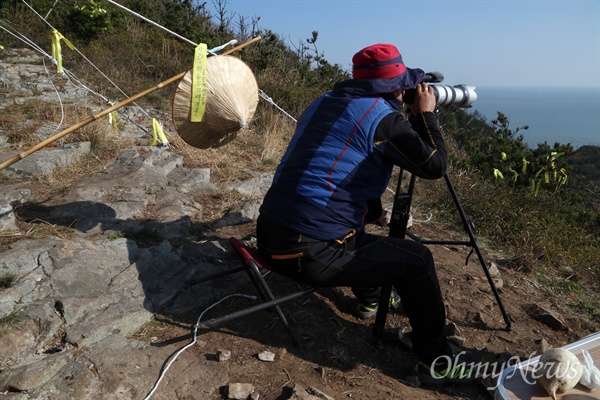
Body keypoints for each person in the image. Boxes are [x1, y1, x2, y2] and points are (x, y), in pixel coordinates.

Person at [256, 43, 472, 384]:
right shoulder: (382, 120)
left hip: (269, 235)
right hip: (305, 252)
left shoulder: (323, 102)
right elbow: (435, 166)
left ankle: (369, 301)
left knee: (350, 220)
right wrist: (427, 116)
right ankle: (436, 361)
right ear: (397, 89)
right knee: (416, 261)